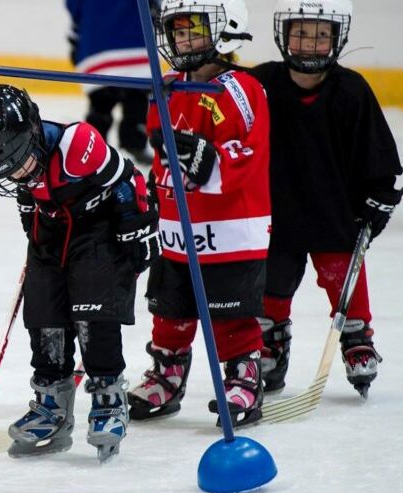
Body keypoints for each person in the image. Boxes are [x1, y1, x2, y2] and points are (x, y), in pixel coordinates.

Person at [0, 84, 159, 461]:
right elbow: (29, 193)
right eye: (5, 172)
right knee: (43, 312)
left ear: (32, 136)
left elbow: (127, 180)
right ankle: (51, 403)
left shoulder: (77, 146)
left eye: (18, 166)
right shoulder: (23, 160)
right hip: (53, 233)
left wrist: (139, 227)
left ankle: (108, 398)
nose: (15, 175)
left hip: (97, 232)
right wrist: (31, 222)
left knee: (92, 314)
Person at [127, 0, 271, 427]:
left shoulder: (241, 88)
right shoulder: (167, 86)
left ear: (226, 30)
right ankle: (167, 374)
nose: (182, 39)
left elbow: (249, 152)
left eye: (193, 30)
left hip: (229, 230)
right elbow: (161, 157)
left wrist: (207, 159)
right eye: (176, 30)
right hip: (177, 226)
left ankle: (244, 378)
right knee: (170, 307)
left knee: (231, 312)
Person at [250, 0, 403, 398]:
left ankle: (356, 337)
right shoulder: (262, 82)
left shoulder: (351, 90)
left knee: (343, 275)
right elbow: (223, 95)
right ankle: (270, 339)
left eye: (321, 35)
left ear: (337, 39)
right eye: (301, 32)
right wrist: (182, 83)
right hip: (277, 213)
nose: (309, 43)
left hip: (335, 212)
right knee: (272, 281)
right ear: (285, 35)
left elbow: (377, 152)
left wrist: (380, 194)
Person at [66, 0, 161, 165]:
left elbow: (75, 13)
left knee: (100, 106)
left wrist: (75, 44)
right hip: (134, 47)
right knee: (136, 103)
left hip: (96, 51)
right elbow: (155, 10)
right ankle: (134, 142)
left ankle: (92, 146)